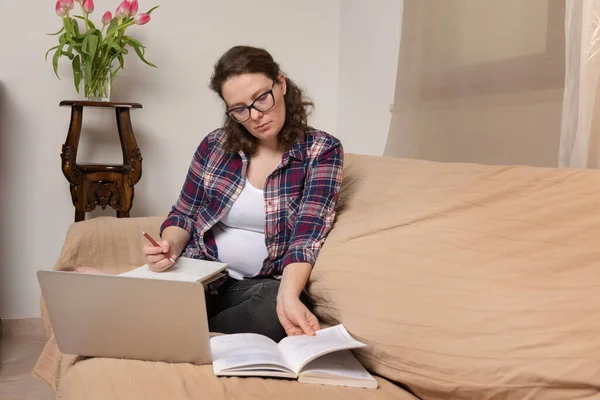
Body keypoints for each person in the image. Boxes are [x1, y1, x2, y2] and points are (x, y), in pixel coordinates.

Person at [79, 45, 344, 342]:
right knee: (188, 291)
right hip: (200, 273)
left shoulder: (322, 150)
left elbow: (307, 236)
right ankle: (164, 317)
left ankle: (152, 320)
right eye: (240, 109)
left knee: (273, 310)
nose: (255, 116)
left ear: (280, 85)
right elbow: (184, 213)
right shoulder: (215, 145)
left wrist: (289, 296)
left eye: (261, 99)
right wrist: (169, 246)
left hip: (259, 285)